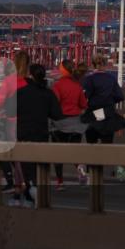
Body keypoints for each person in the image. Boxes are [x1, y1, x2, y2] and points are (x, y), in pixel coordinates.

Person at [7, 64, 63, 207]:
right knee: (40, 166)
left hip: (23, 134)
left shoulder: (20, 93)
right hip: (41, 134)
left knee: (26, 167)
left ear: (30, 75)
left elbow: (9, 111)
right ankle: (34, 194)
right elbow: (57, 115)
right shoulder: (48, 94)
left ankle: (31, 194)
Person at [81, 54, 125, 181]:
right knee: (108, 147)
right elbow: (120, 96)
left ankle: (91, 175)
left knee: (91, 147)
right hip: (108, 115)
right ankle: (120, 171)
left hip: (94, 116)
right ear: (105, 65)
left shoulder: (89, 79)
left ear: (93, 65)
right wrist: (110, 102)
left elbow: (84, 97)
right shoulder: (111, 78)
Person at [0, 51, 30, 191]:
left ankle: (14, 182)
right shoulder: (30, 80)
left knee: (8, 152)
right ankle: (26, 181)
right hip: (28, 121)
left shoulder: (9, 80)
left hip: (11, 121)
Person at [51, 59, 88, 189]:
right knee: (74, 152)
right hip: (76, 124)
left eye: (59, 66)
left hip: (60, 124)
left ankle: (60, 182)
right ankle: (80, 167)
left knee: (58, 154)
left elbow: (54, 104)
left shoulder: (57, 85)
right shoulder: (77, 86)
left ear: (63, 69)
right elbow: (84, 104)